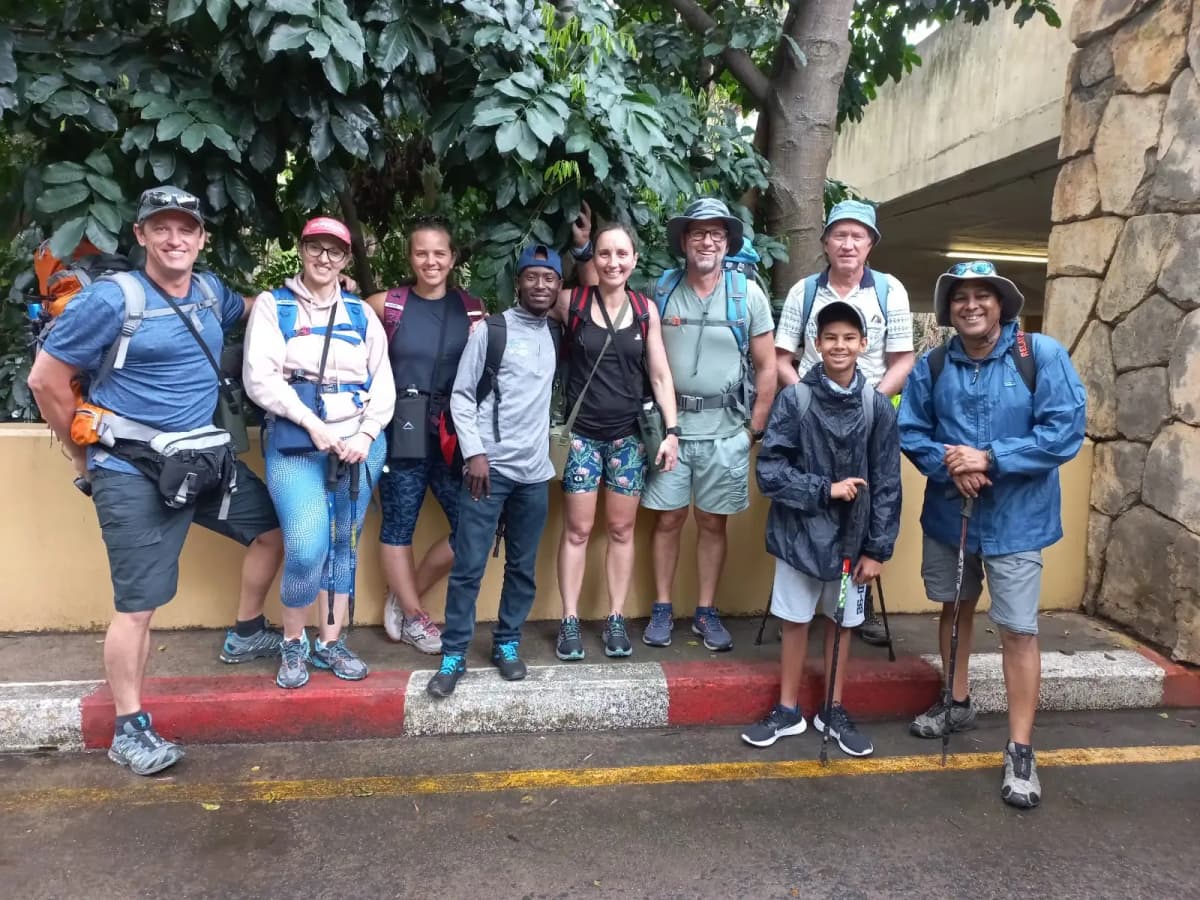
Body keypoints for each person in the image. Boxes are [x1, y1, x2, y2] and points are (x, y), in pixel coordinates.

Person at [27, 185, 284, 775]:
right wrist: (81, 458)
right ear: (140, 234)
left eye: (186, 230)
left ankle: (245, 632)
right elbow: (46, 381)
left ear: (201, 239)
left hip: (203, 461)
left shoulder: (211, 292)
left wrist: (310, 296)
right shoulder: (113, 300)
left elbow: (250, 307)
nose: (175, 240)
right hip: (134, 469)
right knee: (138, 607)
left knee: (271, 529)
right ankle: (129, 727)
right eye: (161, 228)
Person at [898, 260, 1086, 808]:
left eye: (984, 296)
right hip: (950, 514)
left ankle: (1020, 748)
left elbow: (1063, 432)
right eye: (961, 297)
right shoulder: (933, 365)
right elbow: (912, 431)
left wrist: (993, 458)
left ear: (1002, 305)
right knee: (954, 606)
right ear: (948, 309)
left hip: (1017, 520)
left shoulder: (1040, 356)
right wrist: (954, 463)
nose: (972, 305)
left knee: (1018, 629)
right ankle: (956, 701)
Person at [742, 301, 900, 757]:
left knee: (842, 623)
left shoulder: (877, 407)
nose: (839, 345)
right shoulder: (796, 399)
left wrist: (878, 549)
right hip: (798, 535)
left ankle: (833, 708)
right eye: (830, 337)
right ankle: (787, 710)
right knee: (794, 621)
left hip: (854, 539)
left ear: (864, 345)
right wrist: (824, 489)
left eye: (850, 338)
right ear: (816, 344)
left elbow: (888, 483)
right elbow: (770, 470)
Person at [243, 216, 395, 690]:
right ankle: (294, 641)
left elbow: (383, 381)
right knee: (307, 544)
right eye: (316, 248)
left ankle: (331, 643)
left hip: (359, 445)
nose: (324, 258)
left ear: (346, 259)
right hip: (297, 441)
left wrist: (367, 436)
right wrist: (313, 426)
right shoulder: (275, 306)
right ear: (302, 250)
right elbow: (260, 379)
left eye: (334, 251)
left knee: (343, 543)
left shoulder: (360, 314)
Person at [774, 200, 913, 647]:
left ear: (871, 243)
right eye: (839, 235)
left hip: (868, 419)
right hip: (811, 417)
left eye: (858, 236)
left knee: (866, 500)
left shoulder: (890, 291)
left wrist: (870, 402)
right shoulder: (805, 291)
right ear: (826, 242)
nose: (848, 244)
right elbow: (782, 357)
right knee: (809, 502)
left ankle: (856, 606)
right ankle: (802, 607)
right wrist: (806, 403)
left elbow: (903, 358)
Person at [640, 198, 777, 652]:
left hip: (725, 432)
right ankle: (662, 609)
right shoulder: (662, 291)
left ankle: (704, 610)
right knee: (669, 521)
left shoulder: (747, 296)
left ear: (727, 242)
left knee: (713, 524)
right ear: (683, 241)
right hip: (671, 432)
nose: (707, 241)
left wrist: (752, 431)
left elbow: (767, 367)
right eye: (698, 232)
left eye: (717, 234)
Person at [426, 244, 563, 697]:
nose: (540, 286)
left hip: (535, 474)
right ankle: (454, 654)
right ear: (518, 281)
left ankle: (506, 644)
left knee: (523, 568)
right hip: (488, 470)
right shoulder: (492, 331)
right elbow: (463, 396)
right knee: (468, 565)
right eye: (532, 277)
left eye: (549, 278)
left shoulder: (556, 333)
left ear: (558, 286)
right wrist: (475, 454)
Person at [552, 223, 680, 660]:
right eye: (604, 254)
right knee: (578, 530)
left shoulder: (646, 310)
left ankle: (615, 618)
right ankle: (569, 621)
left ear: (634, 260)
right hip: (584, 437)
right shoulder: (573, 302)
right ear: (595, 259)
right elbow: (531, 299)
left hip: (629, 439)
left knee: (622, 531)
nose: (613, 262)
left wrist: (672, 431)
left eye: (622, 254)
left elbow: (661, 375)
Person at [365, 221, 483, 655]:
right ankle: (416, 617)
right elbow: (335, 319)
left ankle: (404, 592)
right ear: (410, 258)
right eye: (421, 253)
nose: (430, 262)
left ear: (453, 259)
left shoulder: (472, 311)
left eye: (439, 254)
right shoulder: (387, 305)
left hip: (454, 437)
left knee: (473, 526)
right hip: (402, 430)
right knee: (398, 526)